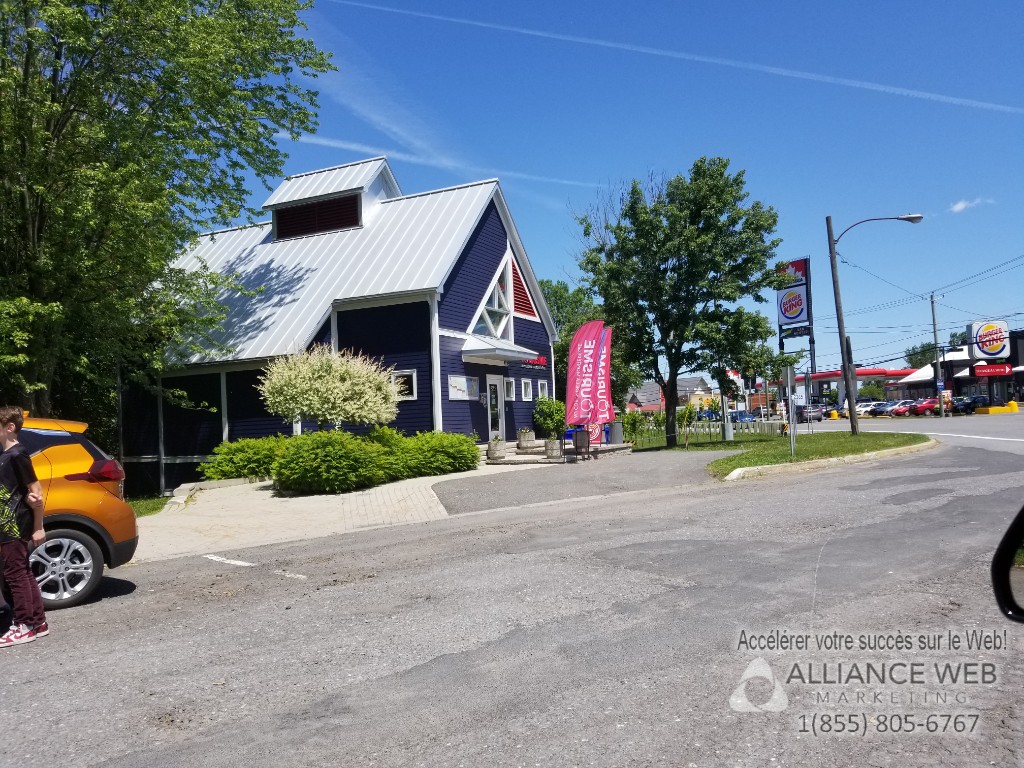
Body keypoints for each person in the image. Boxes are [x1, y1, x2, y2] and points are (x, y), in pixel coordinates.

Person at [0, 406, 47, 646]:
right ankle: (38, 622)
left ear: (9, 427)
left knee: (15, 575)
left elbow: (36, 492)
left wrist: (39, 527)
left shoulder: (17, 454)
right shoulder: (6, 455)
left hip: (14, 524)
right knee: (23, 572)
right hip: (8, 523)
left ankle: (23, 626)